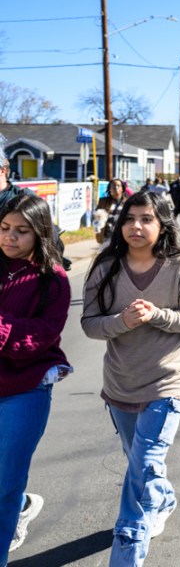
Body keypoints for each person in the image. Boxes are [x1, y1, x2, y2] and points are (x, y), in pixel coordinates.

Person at [81, 192, 180, 567]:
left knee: (140, 471)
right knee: (141, 464)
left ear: (162, 224)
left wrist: (156, 315)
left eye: (147, 219)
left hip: (167, 383)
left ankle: (127, 555)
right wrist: (122, 322)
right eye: (130, 218)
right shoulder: (106, 266)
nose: (136, 226)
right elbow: (89, 324)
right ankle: (163, 499)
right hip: (120, 383)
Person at [0, 194, 72, 564]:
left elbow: (41, 335)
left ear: (39, 233)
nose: (10, 237)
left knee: (3, 485)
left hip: (23, 391)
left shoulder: (53, 281)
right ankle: (25, 505)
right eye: (4, 228)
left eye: (21, 231)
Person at [95, 179, 129, 244]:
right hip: (107, 236)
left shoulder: (128, 202)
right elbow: (96, 217)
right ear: (110, 189)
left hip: (123, 237)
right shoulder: (103, 202)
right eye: (113, 186)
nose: (116, 187)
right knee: (107, 253)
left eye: (118, 186)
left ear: (122, 189)